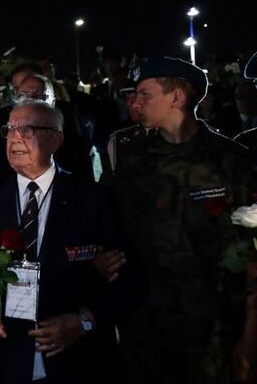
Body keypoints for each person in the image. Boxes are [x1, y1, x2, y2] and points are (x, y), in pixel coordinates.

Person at [106, 56, 257, 383]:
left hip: (214, 333)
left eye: (145, 94)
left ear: (176, 98)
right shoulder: (133, 165)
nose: (134, 102)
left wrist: (250, 333)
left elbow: (252, 253)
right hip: (146, 333)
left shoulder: (231, 161)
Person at [0, 100, 142, 383]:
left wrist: (84, 321)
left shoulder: (92, 200)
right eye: (10, 129)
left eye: (27, 129)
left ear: (55, 140)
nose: (15, 137)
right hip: (8, 358)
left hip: (77, 361)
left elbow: (129, 282)